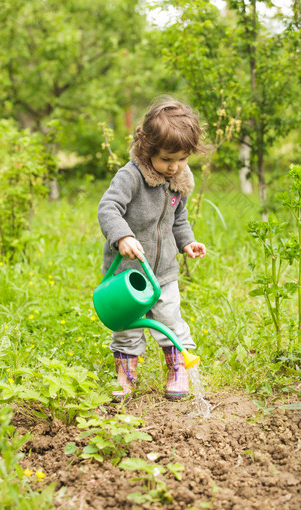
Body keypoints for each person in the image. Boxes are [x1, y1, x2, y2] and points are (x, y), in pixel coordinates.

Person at [97, 97, 207, 402]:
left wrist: (187, 242)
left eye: (182, 159)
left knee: (169, 319)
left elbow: (178, 218)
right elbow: (108, 208)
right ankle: (125, 375)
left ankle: (178, 368)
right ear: (148, 150)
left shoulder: (180, 181)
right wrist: (122, 236)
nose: (174, 167)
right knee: (127, 325)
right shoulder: (131, 177)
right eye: (167, 159)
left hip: (164, 273)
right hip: (127, 274)